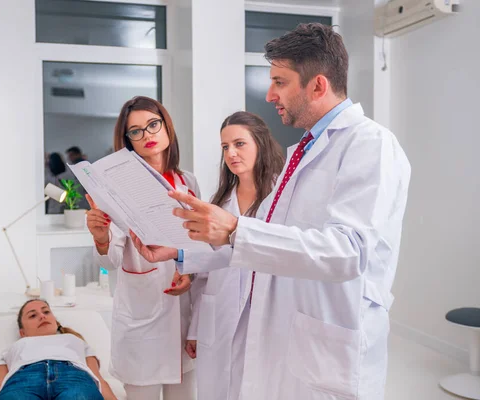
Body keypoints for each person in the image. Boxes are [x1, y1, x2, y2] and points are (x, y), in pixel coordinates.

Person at [130, 23, 411, 400]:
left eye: (280, 81)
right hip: (282, 335)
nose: (269, 93)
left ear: (317, 85)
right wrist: (179, 253)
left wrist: (234, 229)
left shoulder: (370, 144)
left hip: (329, 338)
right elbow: (260, 246)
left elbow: (350, 251)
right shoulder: (301, 152)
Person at [86, 96, 199, 400]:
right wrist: (100, 236)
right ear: (127, 141)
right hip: (142, 325)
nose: (147, 135)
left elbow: (200, 244)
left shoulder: (187, 181)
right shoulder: (115, 188)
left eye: (152, 124)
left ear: (166, 127)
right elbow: (110, 261)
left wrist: (189, 273)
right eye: (135, 131)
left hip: (183, 319)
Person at [186, 111, 284, 400]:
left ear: (260, 144)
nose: (231, 153)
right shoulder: (218, 203)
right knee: (216, 388)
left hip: (267, 315)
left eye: (239, 144)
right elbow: (204, 276)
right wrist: (195, 328)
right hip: (220, 318)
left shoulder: (282, 197)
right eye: (225, 147)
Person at [0, 299, 117, 400]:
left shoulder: (76, 340)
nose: (42, 316)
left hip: (73, 377)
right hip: (23, 379)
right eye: (32, 315)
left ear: (55, 320)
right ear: (22, 332)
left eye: (46, 311)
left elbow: (98, 379)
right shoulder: (11, 349)